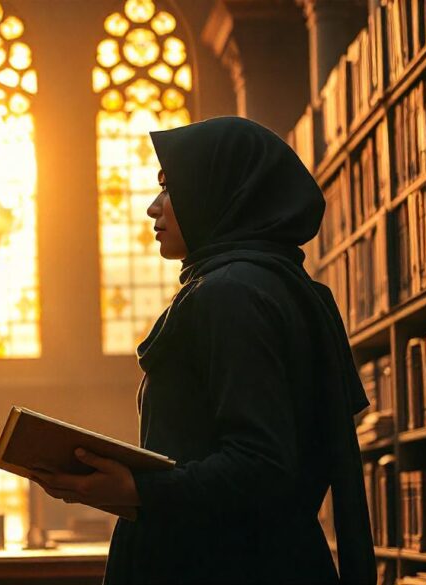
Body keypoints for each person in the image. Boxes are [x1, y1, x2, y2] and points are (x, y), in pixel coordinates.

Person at [31, 117, 376, 584]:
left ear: (221, 191)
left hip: (223, 565)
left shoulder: (231, 293)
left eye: (169, 189)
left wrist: (137, 488)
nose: (153, 208)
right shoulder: (276, 286)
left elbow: (261, 467)